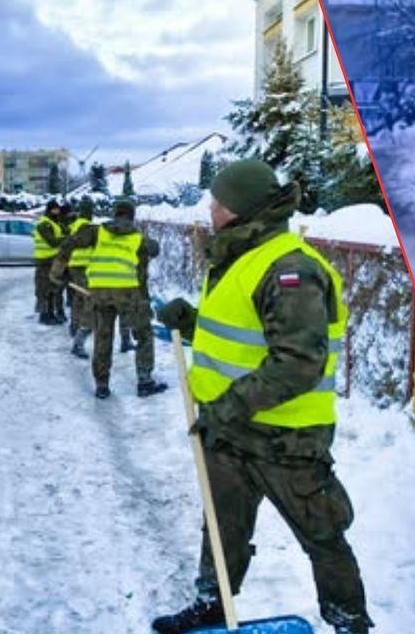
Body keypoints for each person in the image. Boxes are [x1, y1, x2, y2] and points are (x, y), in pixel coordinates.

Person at [152, 160, 372, 634]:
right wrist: (192, 323)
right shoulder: (237, 256)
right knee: (221, 524)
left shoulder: (290, 269)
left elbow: (297, 362)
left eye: (217, 201)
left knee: (321, 533)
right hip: (230, 430)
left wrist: (226, 408)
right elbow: (242, 338)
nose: (210, 208)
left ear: (240, 208)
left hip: (287, 437)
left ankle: (349, 622)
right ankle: (212, 604)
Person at [52, 199, 165, 399]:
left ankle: (102, 385)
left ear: (114, 214)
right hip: (127, 292)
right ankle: (144, 380)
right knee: (144, 334)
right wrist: (143, 300)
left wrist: (57, 269)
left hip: (99, 292)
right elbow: (149, 259)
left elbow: (70, 242)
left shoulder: (97, 232)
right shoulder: (137, 238)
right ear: (132, 216)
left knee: (103, 337)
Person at [63, 199, 96, 355]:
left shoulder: (75, 224)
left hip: (75, 265)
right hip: (82, 265)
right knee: (87, 299)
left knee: (78, 298)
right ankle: (80, 333)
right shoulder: (86, 225)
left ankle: (74, 326)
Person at [33, 200, 67, 325]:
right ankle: (44, 315)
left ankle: (51, 314)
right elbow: (52, 242)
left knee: (52, 289)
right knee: (44, 289)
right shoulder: (44, 224)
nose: (58, 211)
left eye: (58, 209)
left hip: (51, 260)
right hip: (44, 261)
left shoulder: (54, 223)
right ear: (50, 210)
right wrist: (67, 239)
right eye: (56, 209)